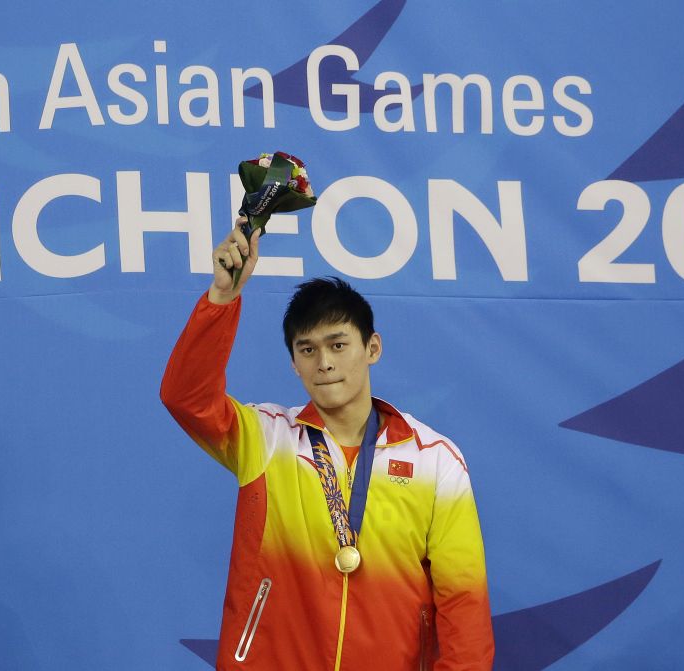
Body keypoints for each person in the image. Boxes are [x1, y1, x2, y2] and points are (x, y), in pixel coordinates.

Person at [160, 219, 494, 670]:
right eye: (308, 350)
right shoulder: (266, 437)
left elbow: (463, 604)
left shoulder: (435, 459)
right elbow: (186, 398)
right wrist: (223, 297)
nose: (325, 363)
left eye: (338, 345)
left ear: (372, 348)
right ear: (295, 364)